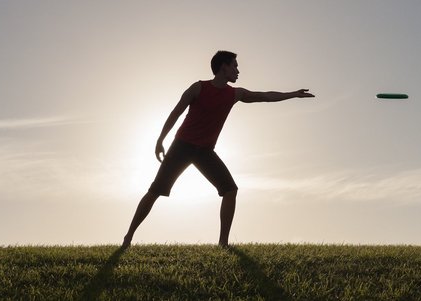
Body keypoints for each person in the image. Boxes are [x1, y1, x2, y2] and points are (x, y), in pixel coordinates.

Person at [123, 51, 315, 248]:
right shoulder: (198, 88)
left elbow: (264, 96)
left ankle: (223, 243)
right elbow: (175, 113)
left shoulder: (235, 94)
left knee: (230, 189)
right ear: (223, 67)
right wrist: (160, 140)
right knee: (155, 191)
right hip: (182, 146)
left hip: (205, 152)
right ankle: (128, 237)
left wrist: (294, 94)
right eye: (235, 66)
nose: (238, 70)